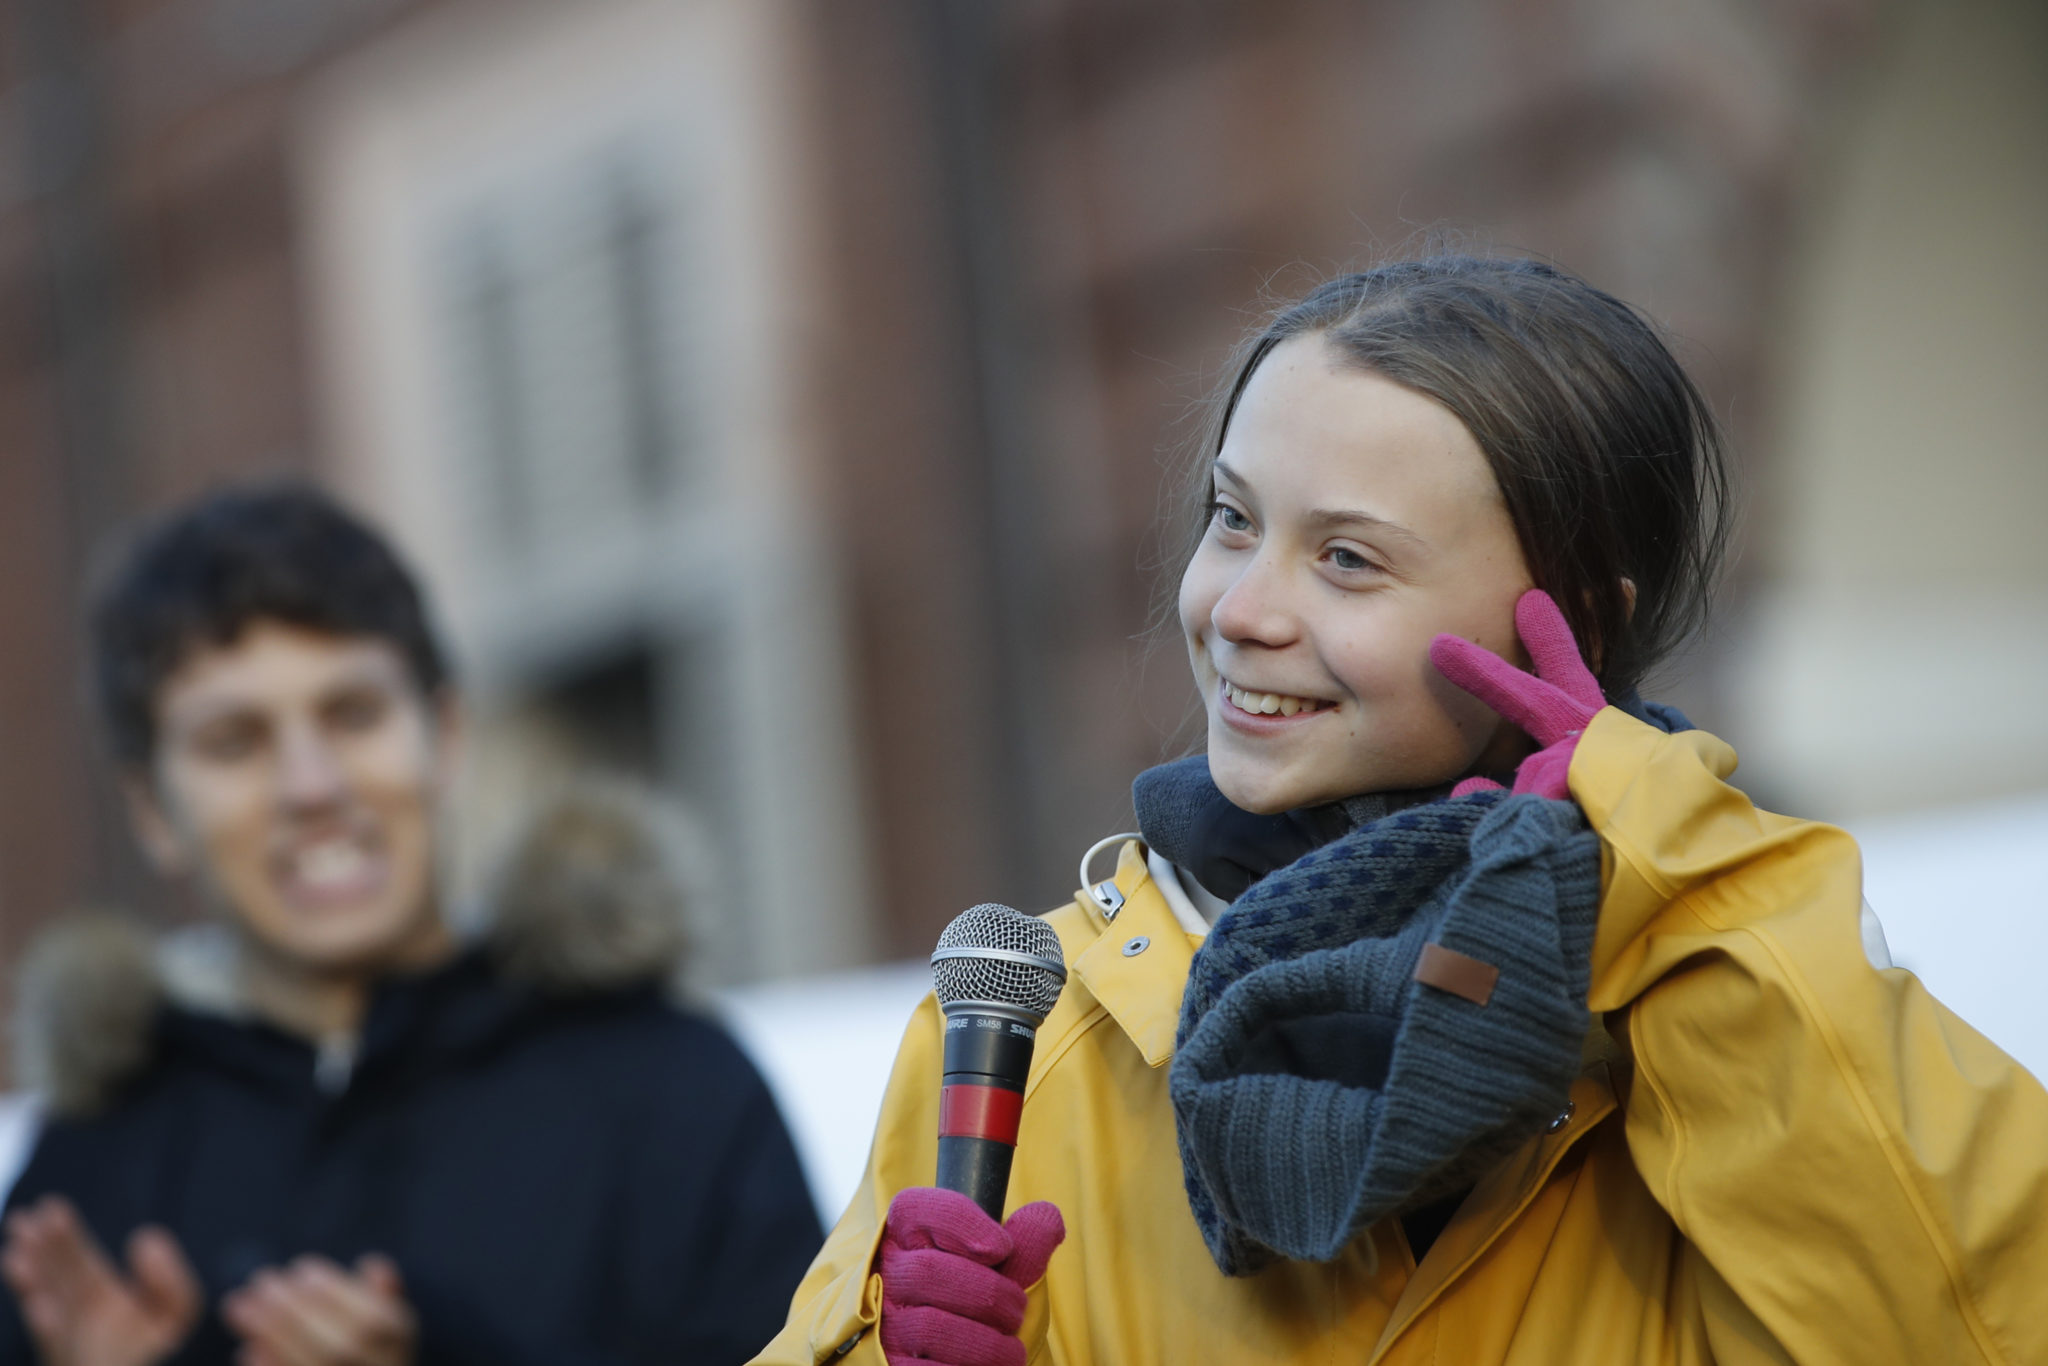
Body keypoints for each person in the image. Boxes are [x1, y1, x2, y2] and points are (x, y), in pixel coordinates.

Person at [752, 255, 2048, 1365]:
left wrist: (1674, 871)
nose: (1242, 609)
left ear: (1571, 624)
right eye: (1232, 519)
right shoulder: (1029, 1039)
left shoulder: (1730, 975)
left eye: (1348, 558)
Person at [0, 483, 822, 1366]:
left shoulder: (676, 1092)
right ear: (153, 811)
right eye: (236, 741)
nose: (311, 787)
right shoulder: (92, 1166)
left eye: (353, 714)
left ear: (446, 733)